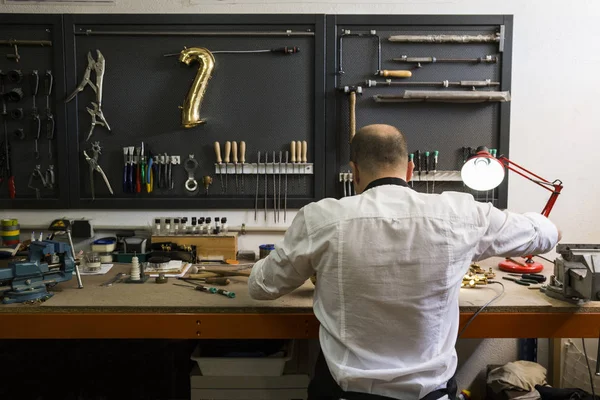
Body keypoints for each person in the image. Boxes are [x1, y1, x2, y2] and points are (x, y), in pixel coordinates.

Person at [248, 124, 560, 400]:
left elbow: (262, 287)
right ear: (410, 169)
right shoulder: (461, 213)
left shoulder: (322, 218)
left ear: (354, 172)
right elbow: (545, 234)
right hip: (431, 393)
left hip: (346, 393)